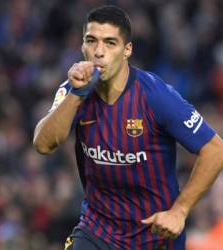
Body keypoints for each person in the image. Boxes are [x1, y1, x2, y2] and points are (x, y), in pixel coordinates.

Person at [33, 5, 223, 250]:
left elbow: (215, 148)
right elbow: (43, 144)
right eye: (91, 41)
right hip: (97, 231)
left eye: (110, 43)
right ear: (82, 46)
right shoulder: (73, 90)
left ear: (127, 50)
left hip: (155, 236)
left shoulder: (155, 96)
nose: (99, 52)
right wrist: (76, 93)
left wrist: (180, 211)